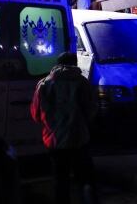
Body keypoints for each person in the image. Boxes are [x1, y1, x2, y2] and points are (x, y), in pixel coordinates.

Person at [31, 52, 97, 204]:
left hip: (54, 141)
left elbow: (35, 114)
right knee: (85, 179)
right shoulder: (83, 83)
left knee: (61, 180)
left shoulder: (44, 84)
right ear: (75, 63)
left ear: (57, 64)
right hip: (79, 138)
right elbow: (91, 109)